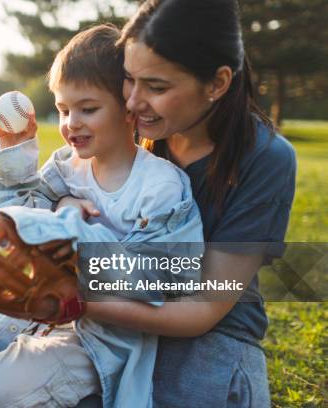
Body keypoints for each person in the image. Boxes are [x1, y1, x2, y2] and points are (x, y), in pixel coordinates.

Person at [0, 24, 204, 408]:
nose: (71, 122)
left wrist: (73, 226)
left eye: (88, 109)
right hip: (41, 312)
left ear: (129, 106)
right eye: (62, 109)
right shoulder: (64, 168)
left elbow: (162, 280)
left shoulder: (161, 187)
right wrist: (16, 163)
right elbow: (9, 226)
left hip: (103, 335)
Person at [72, 0, 294, 406]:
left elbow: (203, 309)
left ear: (217, 84)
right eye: (128, 79)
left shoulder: (266, 158)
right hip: (118, 309)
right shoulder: (133, 129)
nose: (134, 101)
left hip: (211, 335)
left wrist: (80, 301)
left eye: (157, 87)